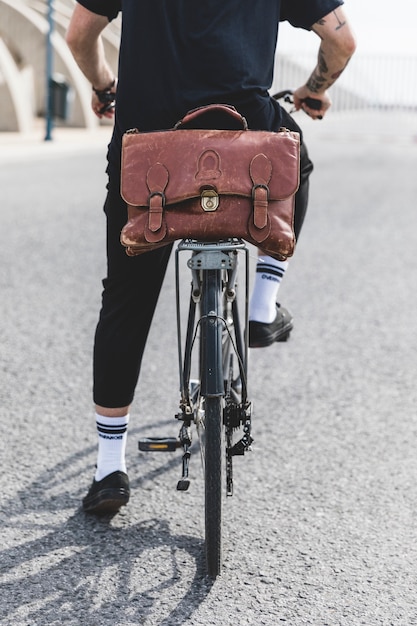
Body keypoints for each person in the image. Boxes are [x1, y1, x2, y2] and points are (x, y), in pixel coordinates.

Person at [66, 0, 356, 514]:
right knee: (296, 160)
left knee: (126, 302)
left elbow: (79, 35)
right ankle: (263, 308)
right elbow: (341, 42)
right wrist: (315, 89)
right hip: (246, 145)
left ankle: (109, 468)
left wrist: (106, 87)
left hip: (149, 148)